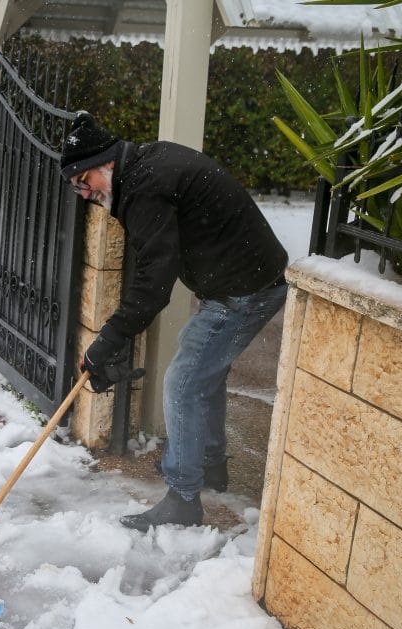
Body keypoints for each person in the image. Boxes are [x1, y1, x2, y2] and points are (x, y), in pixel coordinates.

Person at [60, 111, 289, 532]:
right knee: (205, 375)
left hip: (245, 290)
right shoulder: (144, 168)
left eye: (84, 180)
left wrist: (107, 342)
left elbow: (155, 280)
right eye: (76, 185)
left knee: (182, 382)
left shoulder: (145, 186)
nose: (83, 192)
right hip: (247, 278)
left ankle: (184, 499)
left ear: (107, 163)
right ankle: (209, 463)